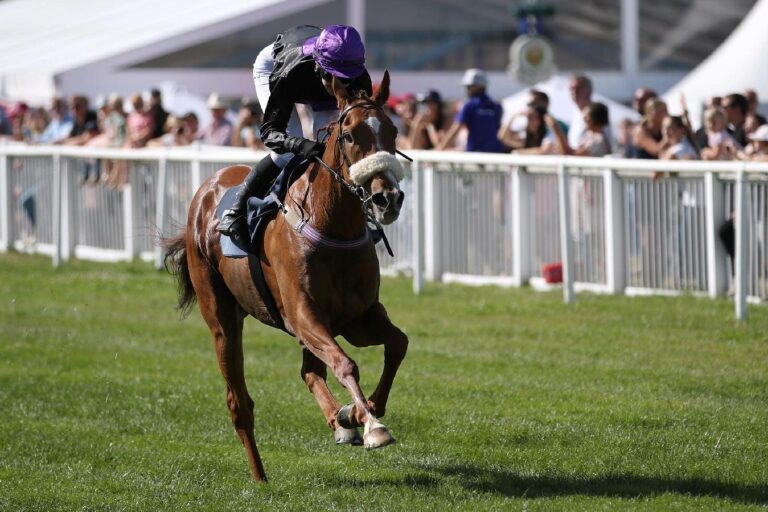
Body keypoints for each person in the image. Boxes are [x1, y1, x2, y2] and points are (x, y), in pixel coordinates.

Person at [217, 24, 372, 236]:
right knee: (287, 152)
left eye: (347, 80)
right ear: (320, 67)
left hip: (310, 77)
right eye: (334, 78)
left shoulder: (360, 79)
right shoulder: (291, 72)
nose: (340, 88)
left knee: (334, 147)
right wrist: (299, 144)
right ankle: (236, 210)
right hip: (275, 67)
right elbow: (271, 133)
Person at [437, 68, 504, 153]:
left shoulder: (469, 105)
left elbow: (455, 129)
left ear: (477, 87)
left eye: (469, 87)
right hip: (496, 153)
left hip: (475, 153)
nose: (467, 90)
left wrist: (440, 149)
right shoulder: (495, 106)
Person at [546, 101, 611, 157]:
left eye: (586, 117)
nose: (583, 119)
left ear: (595, 118)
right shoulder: (590, 136)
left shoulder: (598, 141)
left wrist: (556, 129)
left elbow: (569, 155)